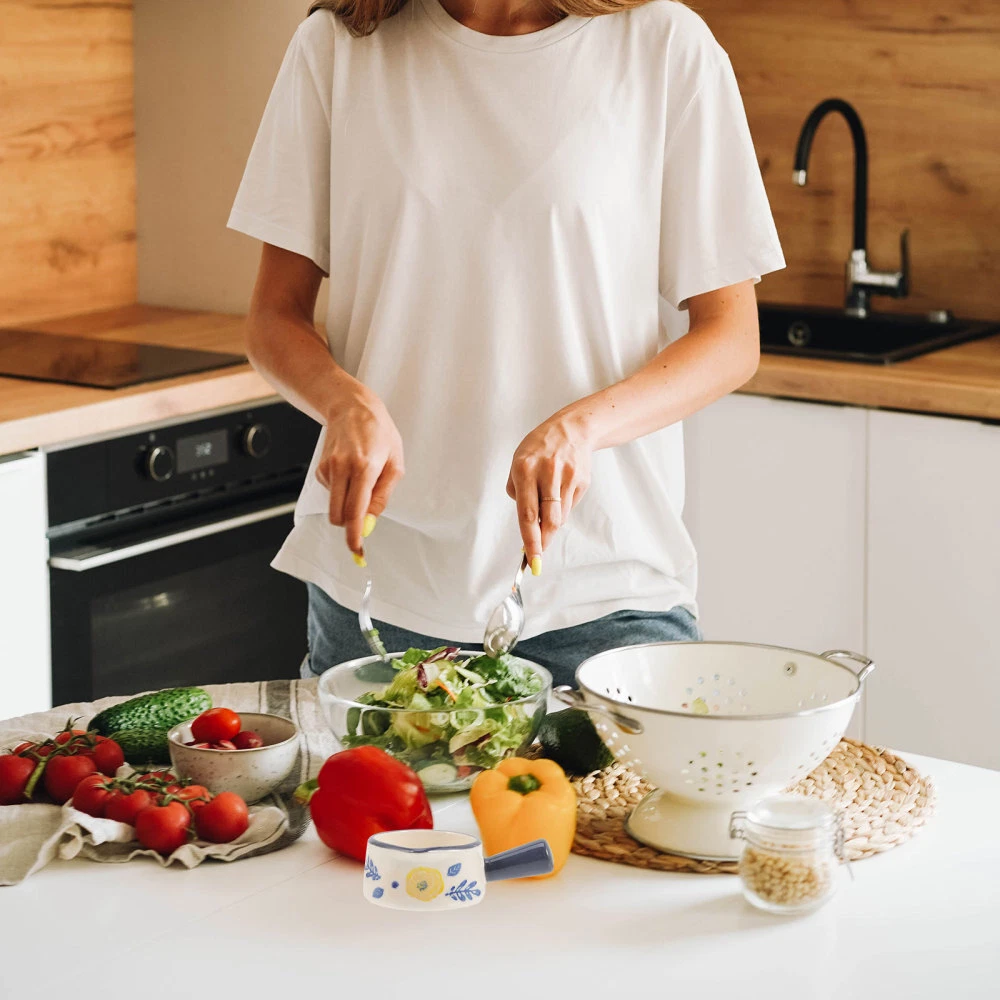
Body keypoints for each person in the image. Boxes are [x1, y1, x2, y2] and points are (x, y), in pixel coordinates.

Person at [228, 0, 784, 689]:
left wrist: (582, 429)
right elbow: (274, 316)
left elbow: (731, 337)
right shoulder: (337, 48)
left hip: (602, 589)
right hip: (378, 590)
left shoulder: (665, 46)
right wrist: (344, 403)